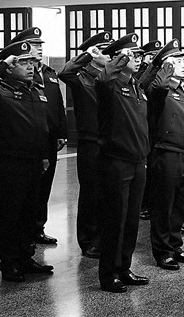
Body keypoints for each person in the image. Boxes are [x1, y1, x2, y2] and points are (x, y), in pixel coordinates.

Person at [0, 41, 54, 282]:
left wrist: (44, 156)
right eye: (23, 62)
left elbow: (41, 127)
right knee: (11, 214)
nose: (30, 67)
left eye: (32, 62)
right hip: (11, 161)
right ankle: (9, 263)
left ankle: (26, 257)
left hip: (35, 161)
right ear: (10, 66)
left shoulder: (36, 89)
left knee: (29, 213)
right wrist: (2, 64)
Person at [93, 34, 151, 293]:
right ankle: (108, 274)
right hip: (116, 162)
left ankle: (124, 267)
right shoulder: (110, 84)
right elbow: (102, 79)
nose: (137, 59)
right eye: (132, 55)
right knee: (114, 221)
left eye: (138, 55)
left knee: (131, 221)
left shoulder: (136, 86)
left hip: (138, 160)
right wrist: (119, 60)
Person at [140, 40, 184, 271]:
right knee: (163, 206)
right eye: (177, 60)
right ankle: (162, 251)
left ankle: (176, 245)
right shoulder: (160, 88)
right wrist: (164, 66)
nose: (183, 63)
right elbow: (156, 88)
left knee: (180, 204)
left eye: (183, 59)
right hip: (167, 152)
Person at [7, 27, 66, 246]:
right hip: (28, 139)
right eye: (34, 45)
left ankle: (39, 227)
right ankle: (26, 230)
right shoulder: (16, 74)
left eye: (41, 45)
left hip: (49, 137)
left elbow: (58, 104)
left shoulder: (49, 72)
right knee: (29, 188)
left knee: (45, 186)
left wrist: (61, 132)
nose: (39, 49)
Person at [58, 31, 113, 259]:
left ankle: (104, 237)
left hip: (111, 142)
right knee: (91, 193)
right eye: (104, 51)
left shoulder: (110, 76)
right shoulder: (81, 78)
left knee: (108, 193)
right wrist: (86, 55)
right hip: (91, 143)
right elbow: (64, 73)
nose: (109, 55)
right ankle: (88, 240)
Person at [136, 39, 163, 221]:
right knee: (147, 169)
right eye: (152, 56)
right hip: (145, 127)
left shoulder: (162, 74)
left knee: (157, 171)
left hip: (159, 127)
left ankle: (153, 203)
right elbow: (143, 85)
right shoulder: (140, 74)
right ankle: (144, 204)